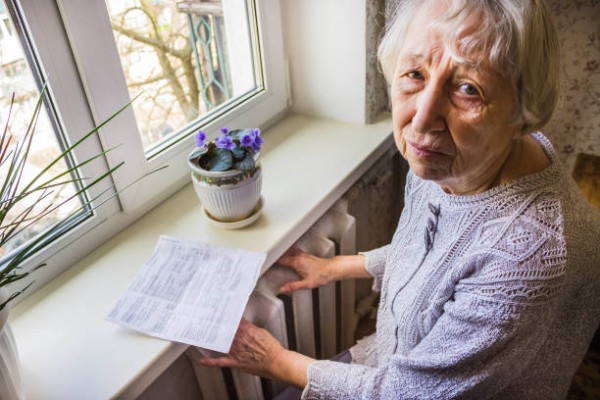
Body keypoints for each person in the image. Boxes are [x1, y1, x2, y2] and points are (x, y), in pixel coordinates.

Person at [198, 0, 600, 398]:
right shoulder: (460, 157)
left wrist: (274, 360)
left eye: (468, 88)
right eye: (414, 73)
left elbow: (408, 391)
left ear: (523, 113)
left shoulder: (529, 255)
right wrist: (336, 266)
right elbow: (441, 256)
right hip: (396, 361)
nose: (421, 120)